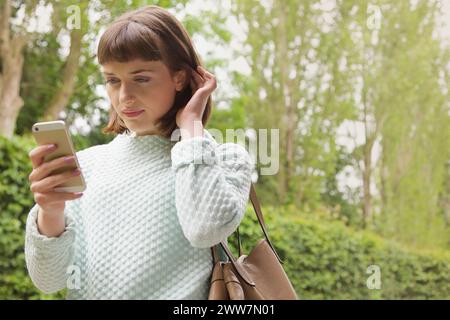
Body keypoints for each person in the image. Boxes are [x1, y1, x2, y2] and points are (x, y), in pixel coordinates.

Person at [25, 5, 253, 299]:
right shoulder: (86, 165)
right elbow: (48, 280)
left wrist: (191, 127)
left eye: (141, 78)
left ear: (181, 78)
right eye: (112, 80)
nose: (124, 97)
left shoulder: (224, 160)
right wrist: (50, 211)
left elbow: (205, 230)